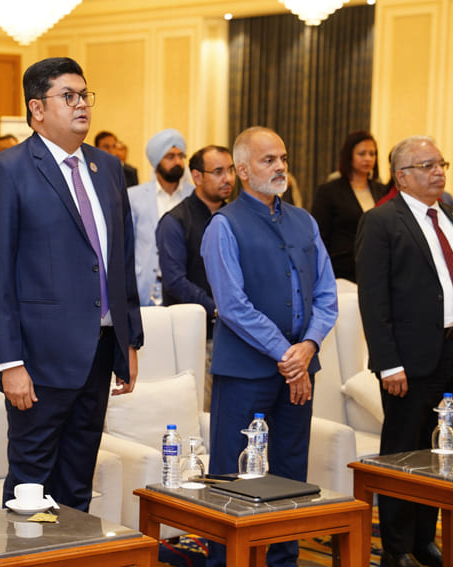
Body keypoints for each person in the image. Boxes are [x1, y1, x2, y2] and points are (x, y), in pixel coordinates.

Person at [0, 57, 143, 511]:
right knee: (31, 486)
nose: (82, 104)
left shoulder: (108, 168)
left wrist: (128, 340)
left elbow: (121, 261)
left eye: (85, 95)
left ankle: (73, 549)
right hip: (38, 358)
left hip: (99, 351)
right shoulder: (7, 171)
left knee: (77, 481)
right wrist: (9, 362)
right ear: (37, 108)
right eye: (68, 96)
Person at [201, 126, 337, 567]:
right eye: (268, 160)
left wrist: (309, 345)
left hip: (300, 370)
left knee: (291, 471)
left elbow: (327, 295)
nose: (280, 167)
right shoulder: (224, 225)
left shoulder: (305, 221)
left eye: (283, 158)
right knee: (233, 475)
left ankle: (284, 560)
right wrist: (288, 354)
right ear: (242, 170)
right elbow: (232, 306)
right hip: (245, 373)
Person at [355, 136, 453, 567]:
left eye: (441, 163)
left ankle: (422, 539)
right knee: (403, 453)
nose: (438, 172)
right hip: (408, 361)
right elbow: (373, 300)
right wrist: (387, 363)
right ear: (402, 176)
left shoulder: (452, 215)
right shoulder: (381, 221)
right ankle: (396, 548)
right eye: (427, 165)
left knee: (439, 451)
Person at [156, 144, 234, 410]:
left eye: (231, 170)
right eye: (218, 172)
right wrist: (218, 309)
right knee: (200, 413)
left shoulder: (235, 218)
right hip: (196, 337)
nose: (228, 178)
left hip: (234, 335)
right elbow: (175, 281)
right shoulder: (175, 221)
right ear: (197, 177)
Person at [128, 128, 194, 305]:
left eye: (181, 156)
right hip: (145, 288)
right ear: (157, 160)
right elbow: (127, 247)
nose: (178, 162)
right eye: (170, 157)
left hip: (186, 289)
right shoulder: (134, 197)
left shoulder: (194, 196)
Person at [311, 130, 386, 282]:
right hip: (341, 270)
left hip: (377, 267)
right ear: (349, 156)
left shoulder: (381, 190)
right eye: (362, 154)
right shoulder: (329, 191)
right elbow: (319, 235)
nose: (368, 158)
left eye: (372, 154)